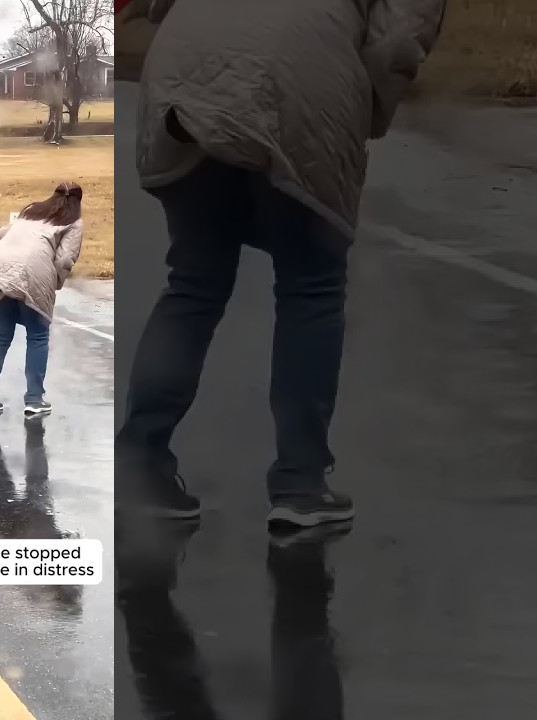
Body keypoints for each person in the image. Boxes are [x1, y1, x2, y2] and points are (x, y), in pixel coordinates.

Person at [117, 0, 447, 527]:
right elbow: (396, 39)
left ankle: (138, 468)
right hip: (301, 81)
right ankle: (301, 484)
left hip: (182, 81)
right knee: (310, 284)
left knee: (194, 283)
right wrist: (363, 106)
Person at [0, 181, 84, 417]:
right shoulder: (73, 221)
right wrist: (55, 283)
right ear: (78, 202)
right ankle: (34, 399)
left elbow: (3, 233)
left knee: (1, 334)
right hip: (32, 273)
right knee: (37, 336)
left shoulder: (32, 211)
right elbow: (65, 260)